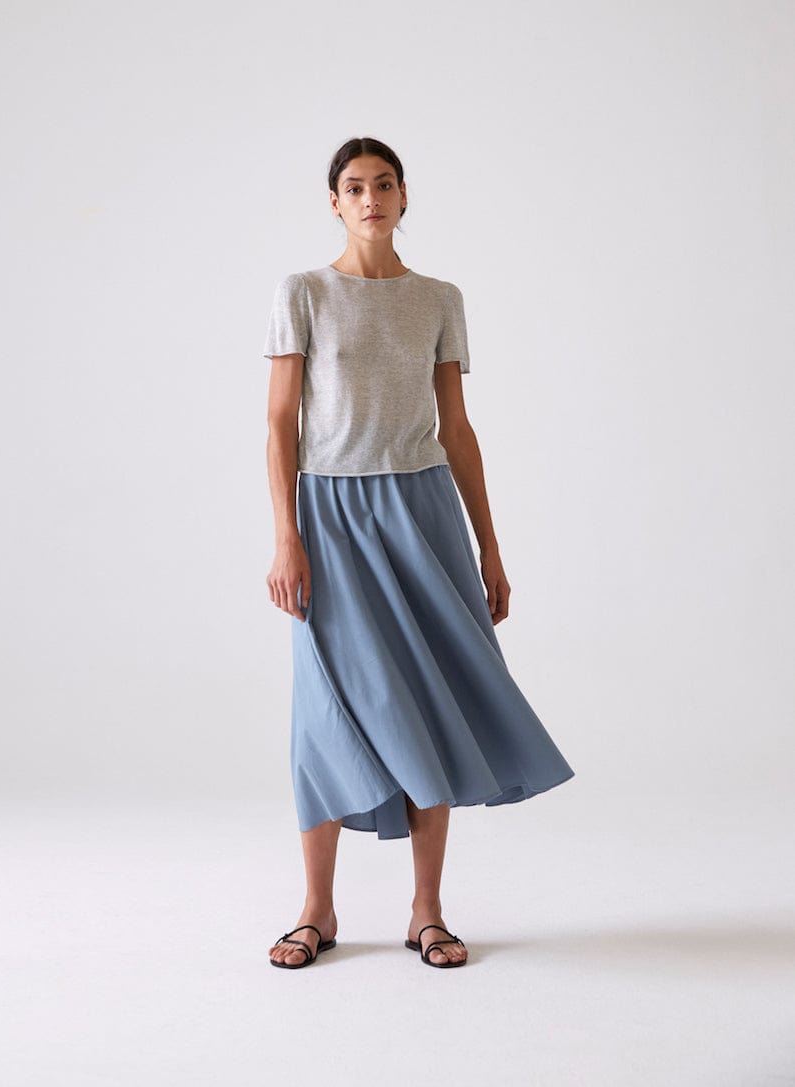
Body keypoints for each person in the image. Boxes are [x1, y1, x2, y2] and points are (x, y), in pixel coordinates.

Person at [262, 136, 575, 970]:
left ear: (405, 197)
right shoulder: (303, 292)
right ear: (334, 201)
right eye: (354, 186)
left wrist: (490, 547)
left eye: (384, 184)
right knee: (325, 707)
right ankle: (317, 909)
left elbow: (457, 429)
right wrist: (287, 535)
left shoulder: (438, 298)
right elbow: (281, 421)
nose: (370, 199)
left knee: (432, 700)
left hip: (423, 512)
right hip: (331, 515)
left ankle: (427, 911)